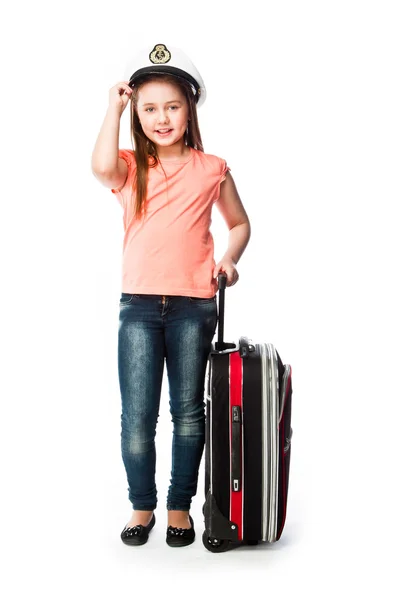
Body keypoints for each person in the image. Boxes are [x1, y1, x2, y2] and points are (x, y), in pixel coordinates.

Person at [91, 43, 251, 547]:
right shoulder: (130, 166)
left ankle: (180, 506)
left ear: (191, 108)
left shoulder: (212, 168)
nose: (162, 118)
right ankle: (143, 505)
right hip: (138, 307)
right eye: (149, 108)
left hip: (193, 306)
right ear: (137, 114)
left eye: (172, 106)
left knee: (188, 413)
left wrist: (230, 258)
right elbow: (98, 167)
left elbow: (241, 223)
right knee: (137, 415)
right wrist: (112, 109)